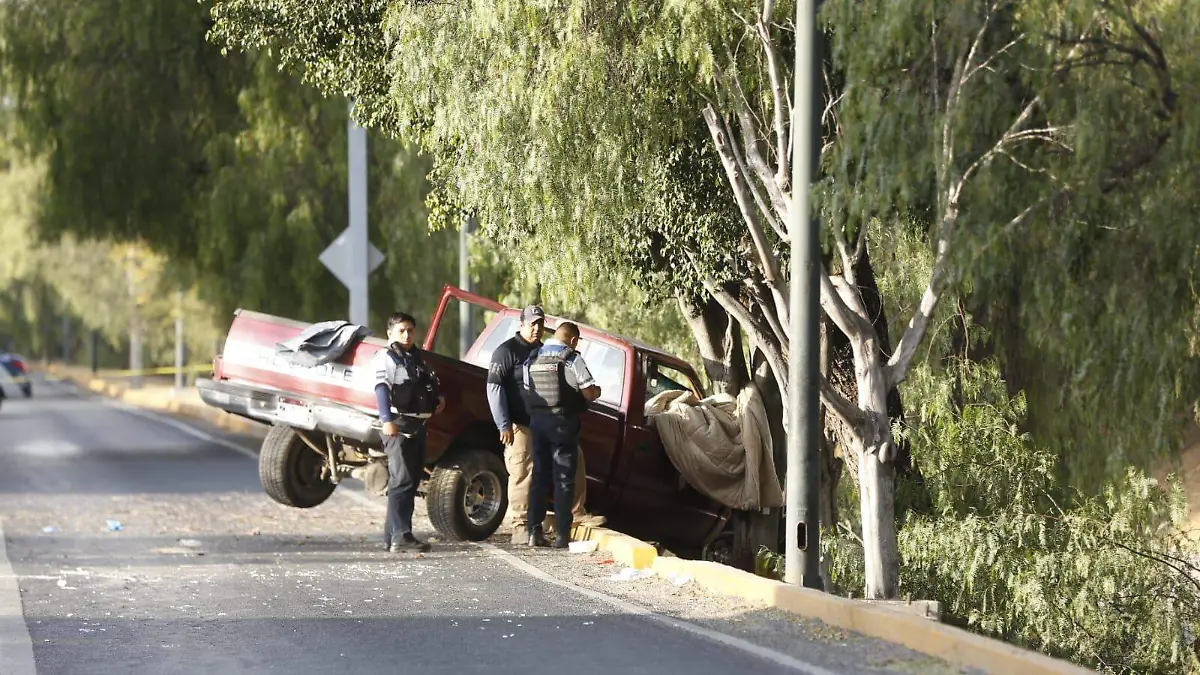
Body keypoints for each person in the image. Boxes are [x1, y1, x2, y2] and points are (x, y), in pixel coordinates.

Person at [487, 306, 604, 544]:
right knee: (526, 473)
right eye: (532, 324)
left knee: (557, 470)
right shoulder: (507, 351)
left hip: (540, 423)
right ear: (521, 324)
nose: (537, 328)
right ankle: (525, 528)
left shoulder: (539, 353)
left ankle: (562, 519)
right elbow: (494, 387)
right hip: (523, 425)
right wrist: (503, 424)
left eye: (540, 324)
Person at [522, 321, 602, 548]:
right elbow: (588, 393)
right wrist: (597, 391)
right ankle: (561, 535)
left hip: (537, 423)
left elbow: (529, 391)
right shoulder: (571, 359)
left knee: (539, 476)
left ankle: (534, 532)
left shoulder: (533, 358)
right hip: (562, 423)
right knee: (564, 479)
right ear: (573, 340)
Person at [372, 312, 445, 553]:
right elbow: (382, 389)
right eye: (401, 330)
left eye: (410, 330)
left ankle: (391, 536)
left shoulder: (416, 358)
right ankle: (401, 536)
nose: (406, 335)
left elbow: (425, 385)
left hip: (418, 426)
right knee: (402, 480)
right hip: (399, 426)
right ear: (390, 333)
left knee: (410, 481)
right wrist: (386, 419)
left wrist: (437, 399)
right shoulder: (387, 357)